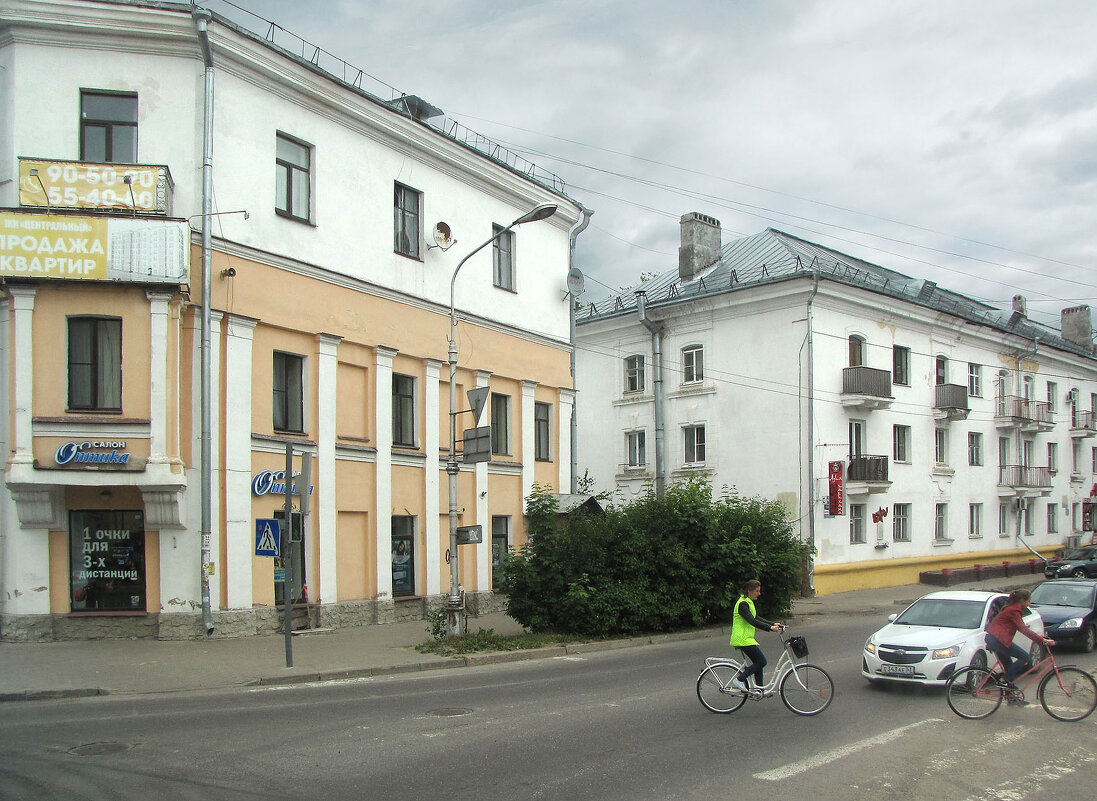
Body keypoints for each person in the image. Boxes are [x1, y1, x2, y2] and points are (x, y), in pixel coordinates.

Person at [985, 588, 1053, 689]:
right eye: (1028, 601)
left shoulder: (1010, 608)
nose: (1029, 604)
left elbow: (1021, 628)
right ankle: (1003, 680)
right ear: (1022, 601)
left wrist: (1040, 637)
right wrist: (1042, 641)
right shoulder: (1014, 611)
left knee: (1009, 667)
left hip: (995, 639)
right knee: (1024, 657)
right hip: (999, 640)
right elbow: (1024, 629)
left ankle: (1011, 696)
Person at [729, 579, 782, 694]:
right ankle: (739, 680)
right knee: (762, 661)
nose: (759, 593)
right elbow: (751, 621)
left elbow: (756, 617)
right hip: (742, 639)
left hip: (747, 639)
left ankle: (759, 690)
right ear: (749, 591)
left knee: (758, 663)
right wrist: (770, 628)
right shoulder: (742, 604)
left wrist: (772, 624)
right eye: (757, 591)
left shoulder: (748, 601)